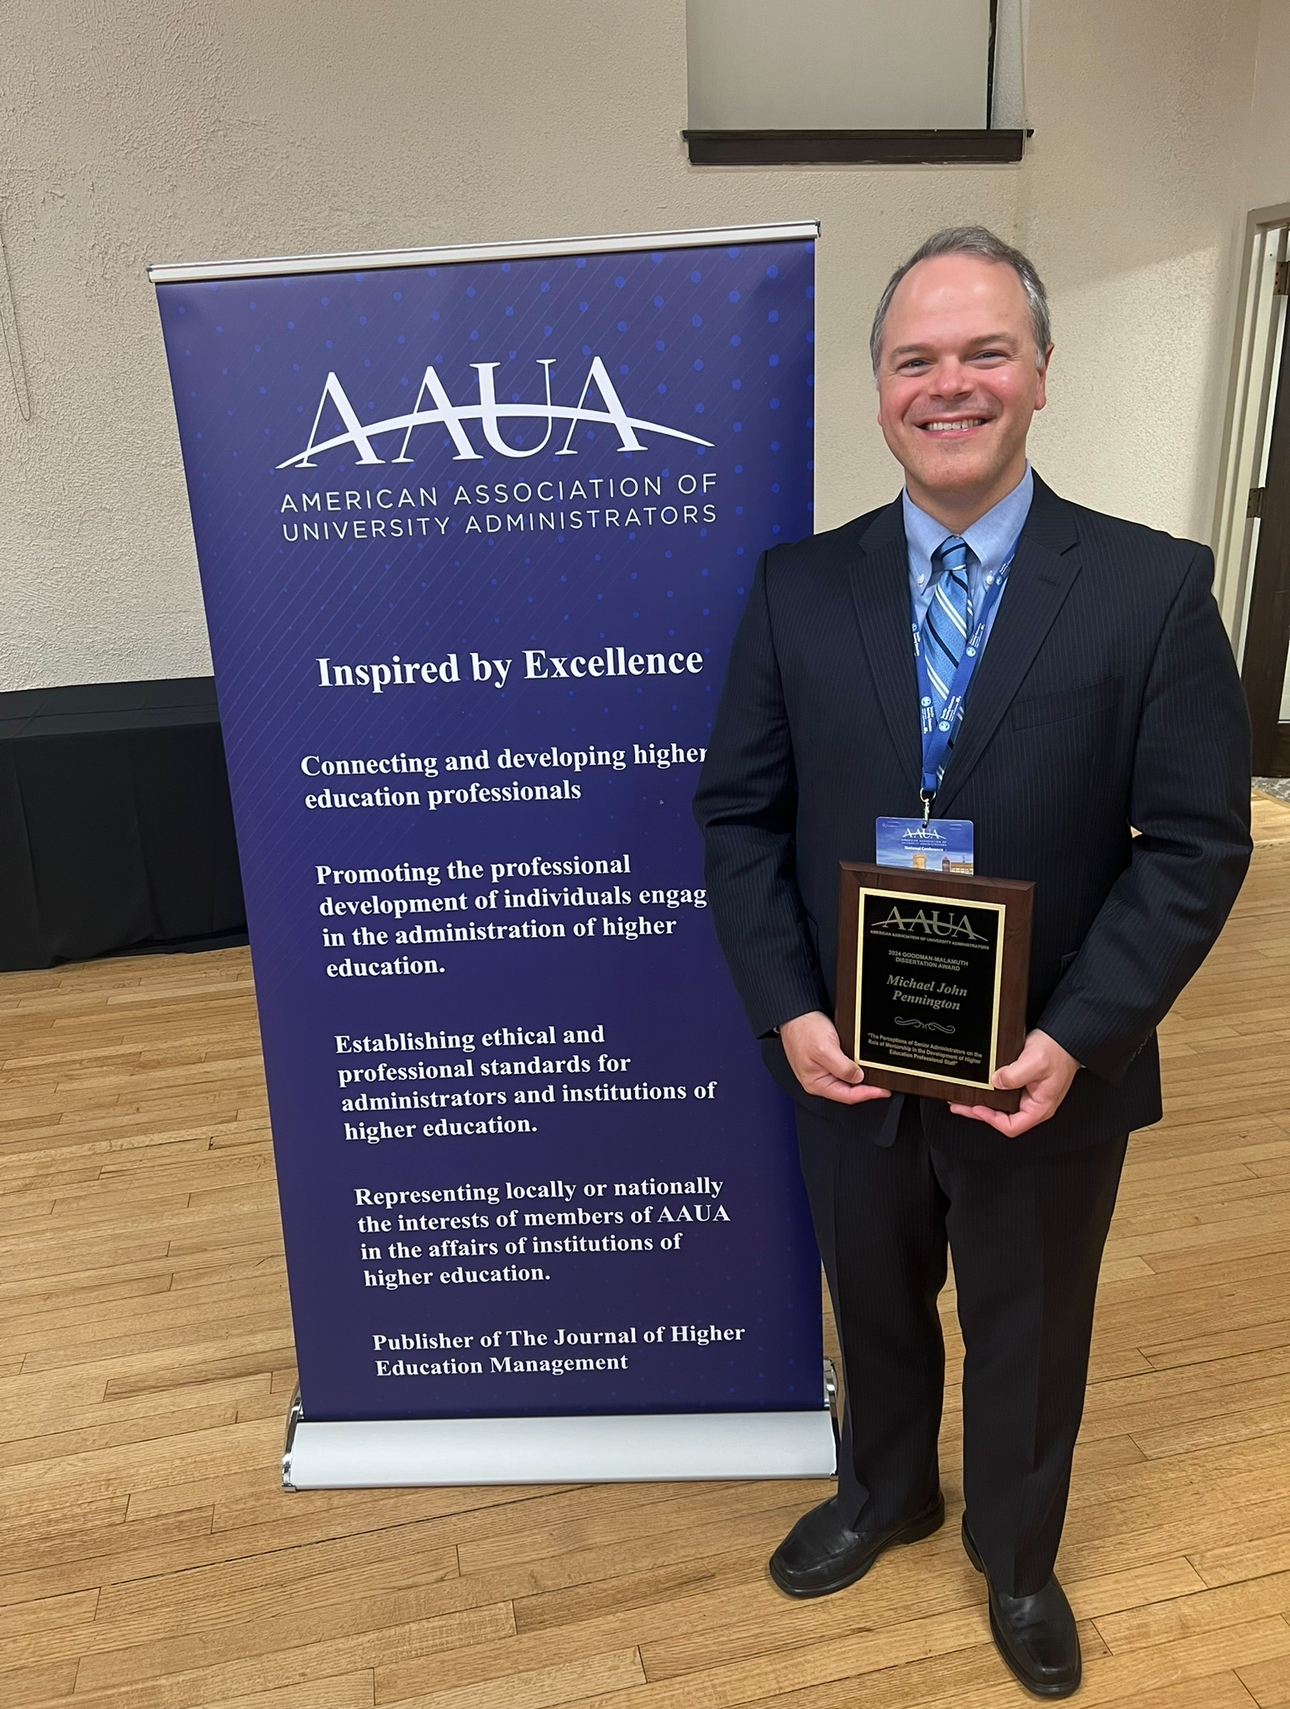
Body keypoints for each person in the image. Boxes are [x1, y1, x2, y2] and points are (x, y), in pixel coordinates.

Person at [693, 226, 1252, 1699]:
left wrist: (1078, 1035)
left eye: (983, 351)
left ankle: (1014, 1551)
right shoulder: (793, 591)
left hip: (1040, 1067)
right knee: (869, 1299)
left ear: (1040, 374)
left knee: (1025, 1321)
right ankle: (887, 1490)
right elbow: (736, 813)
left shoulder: (1148, 589)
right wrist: (787, 1007)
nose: (950, 383)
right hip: (847, 1056)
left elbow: (1196, 842)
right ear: (878, 390)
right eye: (914, 359)